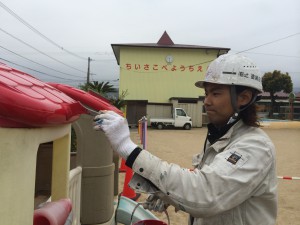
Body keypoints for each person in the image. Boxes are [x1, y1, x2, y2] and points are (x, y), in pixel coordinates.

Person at [93, 53, 278, 225]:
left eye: (215, 93)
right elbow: (199, 185)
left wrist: (127, 147)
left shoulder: (255, 147)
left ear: (243, 98)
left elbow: (204, 193)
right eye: (206, 93)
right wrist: (166, 194)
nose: (206, 101)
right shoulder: (221, 138)